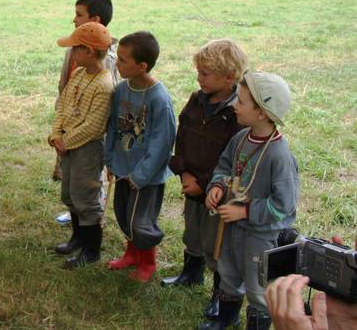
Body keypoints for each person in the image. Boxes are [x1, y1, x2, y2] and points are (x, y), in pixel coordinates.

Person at [200, 72, 298, 330]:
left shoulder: (279, 156)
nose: (234, 104)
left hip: (259, 236)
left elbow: (283, 206)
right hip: (232, 229)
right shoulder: (241, 138)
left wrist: (244, 211)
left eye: (241, 102)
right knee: (228, 273)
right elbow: (224, 166)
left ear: (262, 113)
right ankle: (226, 317)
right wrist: (217, 186)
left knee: (257, 285)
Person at [162, 39, 248, 320]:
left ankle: (220, 294)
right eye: (198, 72)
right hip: (192, 183)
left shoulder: (237, 114)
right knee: (193, 231)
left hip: (217, 191)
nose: (199, 78)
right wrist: (183, 171)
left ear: (229, 77)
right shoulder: (196, 100)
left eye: (205, 74)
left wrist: (205, 182)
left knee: (216, 243)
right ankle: (191, 272)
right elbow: (183, 136)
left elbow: (231, 158)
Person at [104, 31, 176, 282]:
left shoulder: (159, 98)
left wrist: (141, 175)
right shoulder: (121, 90)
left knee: (140, 222)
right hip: (123, 168)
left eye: (123, 60)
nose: (117, 63)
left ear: (142, 66)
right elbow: (113, 127)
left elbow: (162, 143)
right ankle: (131, 254)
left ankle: (147, 262)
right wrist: (110, 160)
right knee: (124, 214)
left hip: (147, 177)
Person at [49, 22, 114, 268]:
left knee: (86, 196)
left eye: (75, 48)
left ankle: (91, 249)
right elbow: (63, 105)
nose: (71, 52)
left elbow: (94, 126)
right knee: (69, 193)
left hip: (86, 149)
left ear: (89, 51)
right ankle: (77, 238)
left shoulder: (104, 85)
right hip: (66, 144)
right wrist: (56, 133)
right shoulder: (78, 73)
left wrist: (65, 141)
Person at [53, 0, 117, 181]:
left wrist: (65, 140)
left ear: (95, 20)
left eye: (79, 15)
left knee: (87, 185)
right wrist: (57, 133)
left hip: (86, 141)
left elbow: (97, 118)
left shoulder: (107, 62)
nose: (74, 19)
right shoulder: (75, 53)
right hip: (67, 130)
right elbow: (65, 92)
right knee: (71, 182)